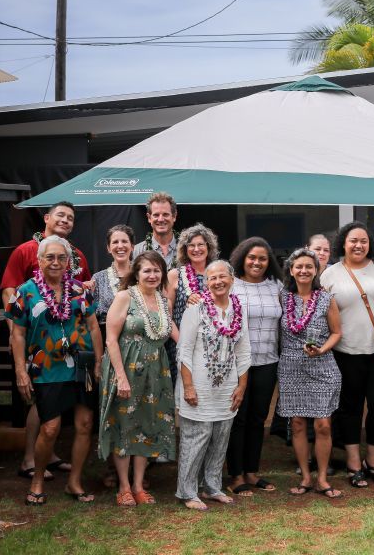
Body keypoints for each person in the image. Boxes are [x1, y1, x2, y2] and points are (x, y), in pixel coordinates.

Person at [5, 235, 103, 506]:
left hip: (82, 362)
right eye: (50, 257)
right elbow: (18, 335)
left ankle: (75, 482)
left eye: (62, 257)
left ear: (69, 262)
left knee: (84, 424)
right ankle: (37, 479)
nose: (56, 262)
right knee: (50, 427)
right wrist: (20, 371)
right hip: (45, 365)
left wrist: (98, 361)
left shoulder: (79, 290)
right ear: (39, 261)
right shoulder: (24, 293)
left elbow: (94, 326)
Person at [1, 201, 91, 482]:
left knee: (59, 402)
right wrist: (15, 331)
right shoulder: (27, 251)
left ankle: (48, 455)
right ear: (47, 218)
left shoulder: (76, 255)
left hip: (68, 342)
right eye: (60, 215)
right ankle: (29, 457)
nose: (65, 220)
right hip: (37, 339)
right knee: (39, 402)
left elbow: (84, 289)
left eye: (71, 218)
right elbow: (9, 290)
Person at [321, 222, 374, 488]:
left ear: (370, 244)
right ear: (343, 242)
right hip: (346, 353)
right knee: (349, 409)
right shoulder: (330, 274)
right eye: (353, 240)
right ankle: (354, 464)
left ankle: (373, 462)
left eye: (363, 241)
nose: (358, 245)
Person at [98, 251, 176, 507]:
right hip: (126, 369)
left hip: (156, 372)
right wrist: (120, 377)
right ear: (137, 273)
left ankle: (139, 485)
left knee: (147, 423)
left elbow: (173, 331)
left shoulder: (163, 300)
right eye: (147, 271)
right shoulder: (125, 297)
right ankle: (123, 486)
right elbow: (111, 339)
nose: (152, 275)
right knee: (125, 424)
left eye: (157, 271)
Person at [175, 260, 251, 510]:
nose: (217, 282)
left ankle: (212, 487)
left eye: (222, 277)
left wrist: (241, 386)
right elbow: (183, 350)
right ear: (206, 283)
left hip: (226, 387)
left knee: (220, 438)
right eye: (211, 278)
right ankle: (187, 492)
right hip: (198, 385)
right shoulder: (195, 310)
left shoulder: (238, 308)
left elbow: (244, 351)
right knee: (197, 437)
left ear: (232, 279)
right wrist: (188, 386)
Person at [277, 248, 344, 499]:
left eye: (309, 266)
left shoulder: (326, 298)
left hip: (323, 365)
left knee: (323, 425)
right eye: (299, 266)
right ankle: (305, 476)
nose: (304, 270)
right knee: (296, 424)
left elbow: (337, 332)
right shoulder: (282, 297)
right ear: (291, 270)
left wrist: (321, 349)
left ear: (317, 270)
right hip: (290, 367)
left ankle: (323, 478)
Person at [225, 237, 284, 496]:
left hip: (268, 361)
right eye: (252, 258)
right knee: (238, 419)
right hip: (237, 364)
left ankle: (252, 471)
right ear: (242, 259)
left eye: (262, 258)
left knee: (258, 419)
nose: (257, 262)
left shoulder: (277, 286)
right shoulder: (231, 285)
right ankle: (235, 475)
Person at [166, 223, 219, 388]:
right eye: (191, 245)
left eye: (200, 244)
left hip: (212, 346)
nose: (196, 249)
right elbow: (166, 314)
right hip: (180, 345)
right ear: (184, 249)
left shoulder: (217, 274)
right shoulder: (175, 275)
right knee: (182, 392)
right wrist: (182, 341)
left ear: (208, 247)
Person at [91, 225, 136, 326]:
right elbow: (91, 316)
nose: (120, 246)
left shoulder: (142, 276)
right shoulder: (98, 278)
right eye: (115, 242)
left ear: (132, 247)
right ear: (108, 248)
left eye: (124, 241)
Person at [133, 192, 178, 270]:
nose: (160, 219)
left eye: (165, 214)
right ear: (149, 218)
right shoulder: (138, 251)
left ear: (174, 216)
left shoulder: (186, 248)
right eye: (156, 215)